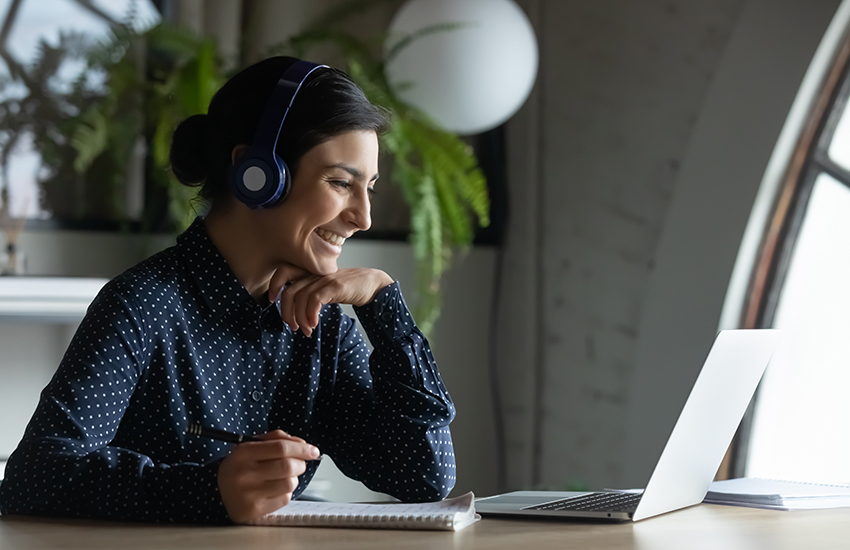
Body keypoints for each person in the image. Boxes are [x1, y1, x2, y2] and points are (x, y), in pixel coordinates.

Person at [0, 57, 456, 524]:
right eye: (341, 183)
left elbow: (423, 476)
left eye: (369, 189)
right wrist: (209, 491)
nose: (363, 217)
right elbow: (33, 477)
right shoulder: (143, 304)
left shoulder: (323, 325)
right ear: (257, 175)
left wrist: (384, 304)